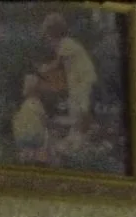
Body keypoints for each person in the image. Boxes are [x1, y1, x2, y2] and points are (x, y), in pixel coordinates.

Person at [39, 13, 96, 149]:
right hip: (77, 78)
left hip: (82, 78)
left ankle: (80, 135)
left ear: (53, 33)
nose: (49, 41)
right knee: (74, 104)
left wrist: (45, 68)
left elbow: (58, 64)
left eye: (48, 36)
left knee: (80, 106)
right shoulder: (65, 44)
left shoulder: (65, 43)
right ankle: (76, 133)